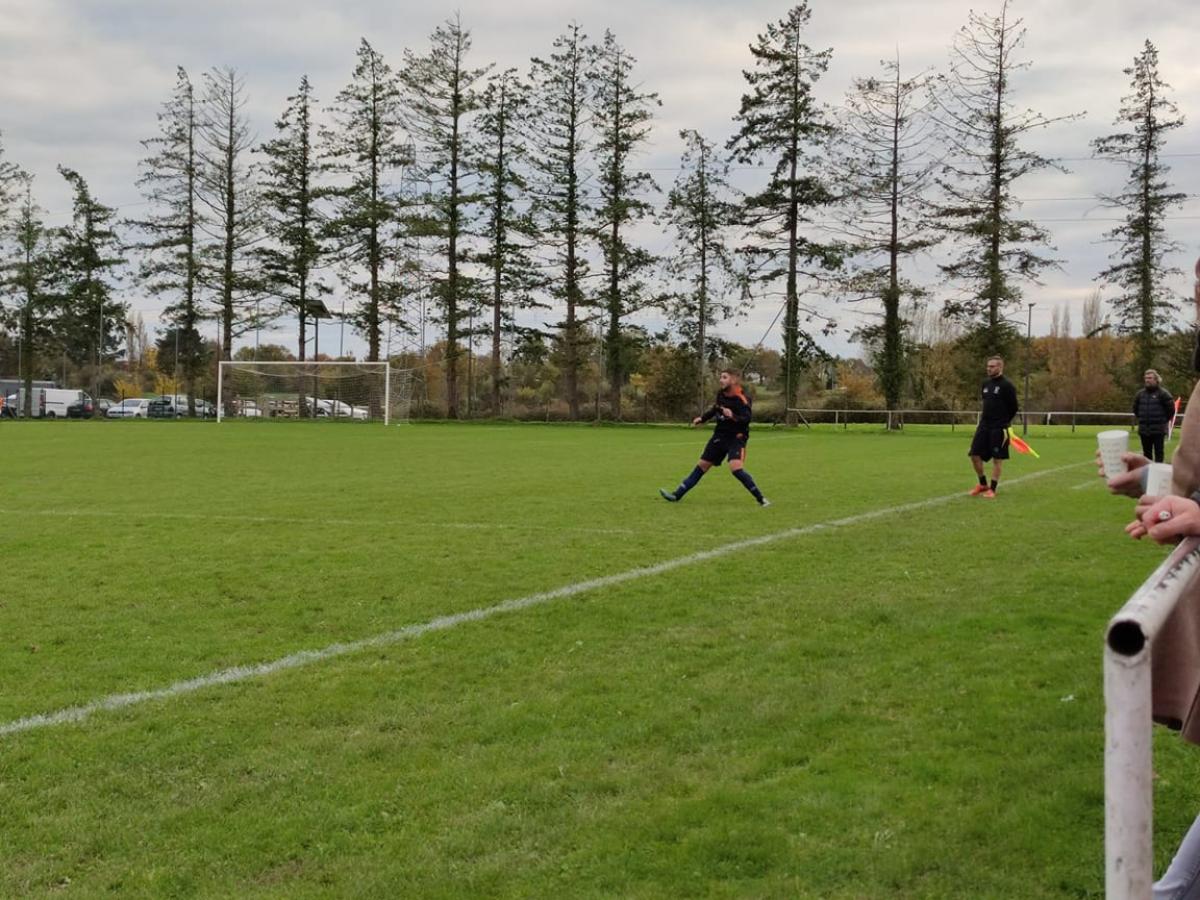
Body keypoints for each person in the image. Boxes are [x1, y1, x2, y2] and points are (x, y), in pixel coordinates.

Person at [659, 368, 770, 507]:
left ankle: (761, 499)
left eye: (724, 377)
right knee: (702, 466)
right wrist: (703, 419)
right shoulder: (721, 394)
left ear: (734, 380)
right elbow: (716, 408)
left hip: (736, 437)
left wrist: (733, 416)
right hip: (719, 436)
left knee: (735, 468)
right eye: (721, 377)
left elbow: (746, 419)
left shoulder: (743, 399)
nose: (721, 380)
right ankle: (676, 495)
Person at [967, 355, 1019, 498]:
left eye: (992, 366)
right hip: (984, 426)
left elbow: (1014, 407)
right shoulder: (985, 384)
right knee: (974, 454)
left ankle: (993, 489)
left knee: (997, 459)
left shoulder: (1007, 385)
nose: (988, 369)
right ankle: (983, 484)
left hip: (999, 428)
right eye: (988, 366)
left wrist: (1003, 422)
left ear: (1000, 367)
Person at [1133, 369, 1176, 463]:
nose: (1147, 380)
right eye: (1146, 378)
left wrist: (1163, 420)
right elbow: (1136, 410)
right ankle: (1148, 474)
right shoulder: (1140, 395)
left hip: (1158, 431)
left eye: (1150, 378)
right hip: (1144, 430)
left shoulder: (1163, 394)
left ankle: (1159, 474)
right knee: (1146, 455)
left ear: (1156, 380)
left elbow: (1171, 410)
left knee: (1159, 453)